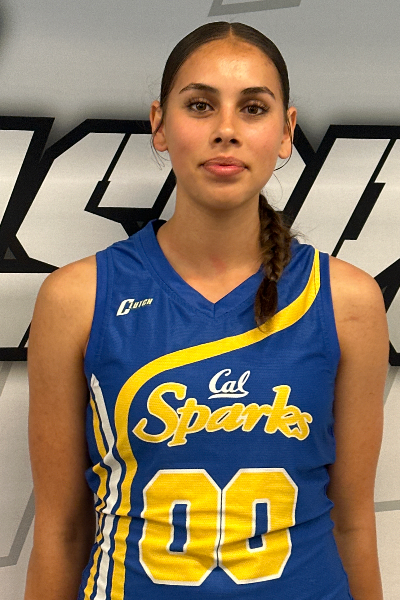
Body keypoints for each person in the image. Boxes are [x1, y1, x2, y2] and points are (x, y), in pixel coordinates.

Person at [24, 21, 388, 600]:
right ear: (159, 124)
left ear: (286, 132)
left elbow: (354, 523)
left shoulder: (348, 301)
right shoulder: (76, 298)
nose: (226, 130)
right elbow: (62, 531)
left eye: (253, 108)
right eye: (200, 105)